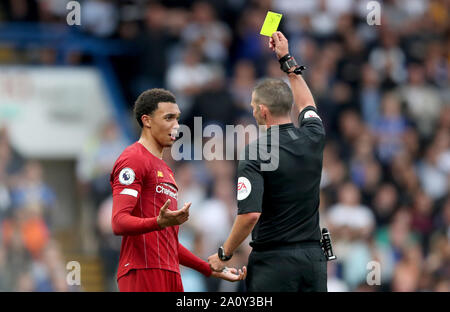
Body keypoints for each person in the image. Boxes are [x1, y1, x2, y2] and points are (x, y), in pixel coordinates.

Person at [208, 32, 327, 291]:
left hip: (274, 265)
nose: (252, 111)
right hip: (314, 262)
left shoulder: (255, 152)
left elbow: (250, 214)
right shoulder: (314, 135)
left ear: (263, 111)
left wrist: (223, 255)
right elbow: (307, 103)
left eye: (253, 106)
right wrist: (286, 60)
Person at [110, 88, 246, 292]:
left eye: (177, 118)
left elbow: (168, 242)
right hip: (143, 271)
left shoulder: (166, 170)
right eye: (168, 118)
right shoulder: (133, 159)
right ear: (147, 121)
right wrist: (158, 222)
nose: (176, 125)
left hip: (170, 273)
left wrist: (208, 269)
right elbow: (118, 222)